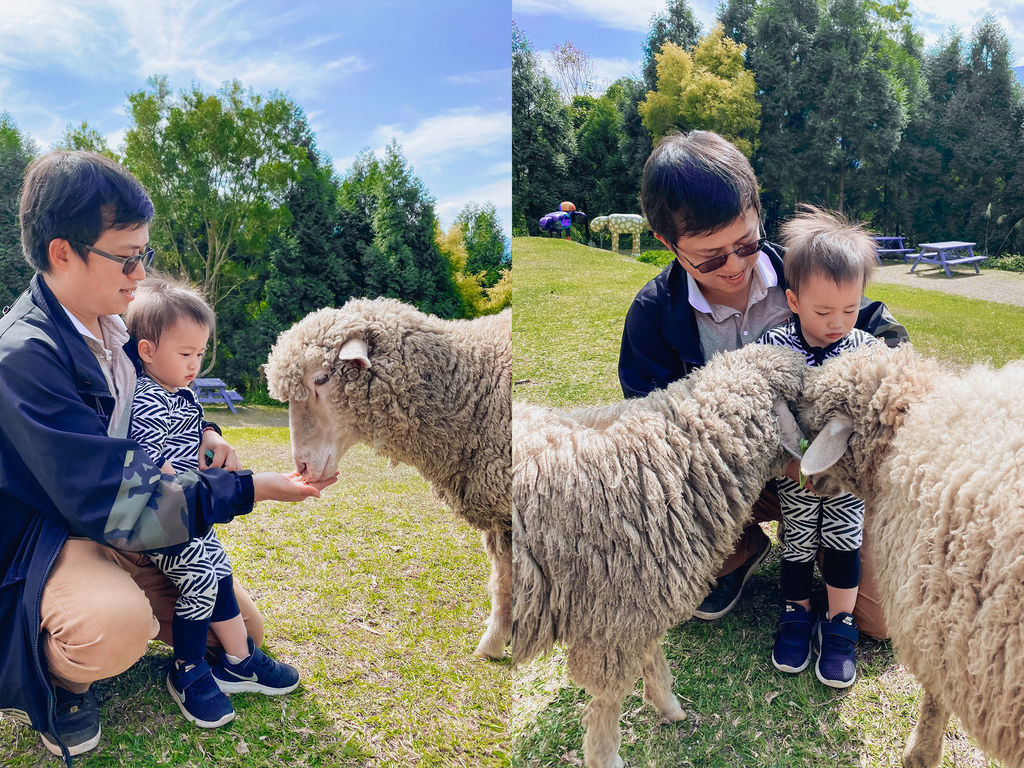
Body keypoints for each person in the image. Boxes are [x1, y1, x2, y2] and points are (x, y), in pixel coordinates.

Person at [0, 150, 333, 760]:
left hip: (123, 524)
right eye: (127, 257)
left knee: (239, 631)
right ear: (61, 252)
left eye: (144, 254)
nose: (139, 272)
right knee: (115, 627)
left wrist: (202, 432)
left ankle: (154, 630)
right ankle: (62, 682)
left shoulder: (117, 330)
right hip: (56, 536)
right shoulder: (25, 357)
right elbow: (118, 497)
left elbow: (159, 402)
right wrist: (253, 487)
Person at [618, 130, 907, 637]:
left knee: (880, 621)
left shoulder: (808, 270)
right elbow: (648, 430)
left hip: (829, 479)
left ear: (758, 212)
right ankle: (744, 545)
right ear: (667, 243)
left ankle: (827, 548)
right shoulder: (653, 316)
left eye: (745, 243)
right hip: (730, 483)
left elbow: (883, 334)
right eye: (710, 256)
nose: (733, 265)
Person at [125, 276, 299, 728]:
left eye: (200, 353)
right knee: (202, 574)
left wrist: (211, 433)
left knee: (218, 567)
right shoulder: (145, 399)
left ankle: (239, 661)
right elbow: (156, 471)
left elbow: (195, 421)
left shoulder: (178, 392)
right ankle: (186, 669)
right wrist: (231, 484)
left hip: (190, 516)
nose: (195, 364)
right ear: (147, 351)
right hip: (159, 519)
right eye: (186, 354)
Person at [757, 206, 879, 688]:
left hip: (846, 481)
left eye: (849, 310)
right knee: (798, 540)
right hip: (796, 475)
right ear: (793, 299)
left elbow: (875, 412)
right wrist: (790, 458)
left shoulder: (868, 349)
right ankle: (796, 611)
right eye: (823, 311)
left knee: (844, 541)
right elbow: (768, 404)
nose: (837, 323)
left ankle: (840, 622)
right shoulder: (775, 344)